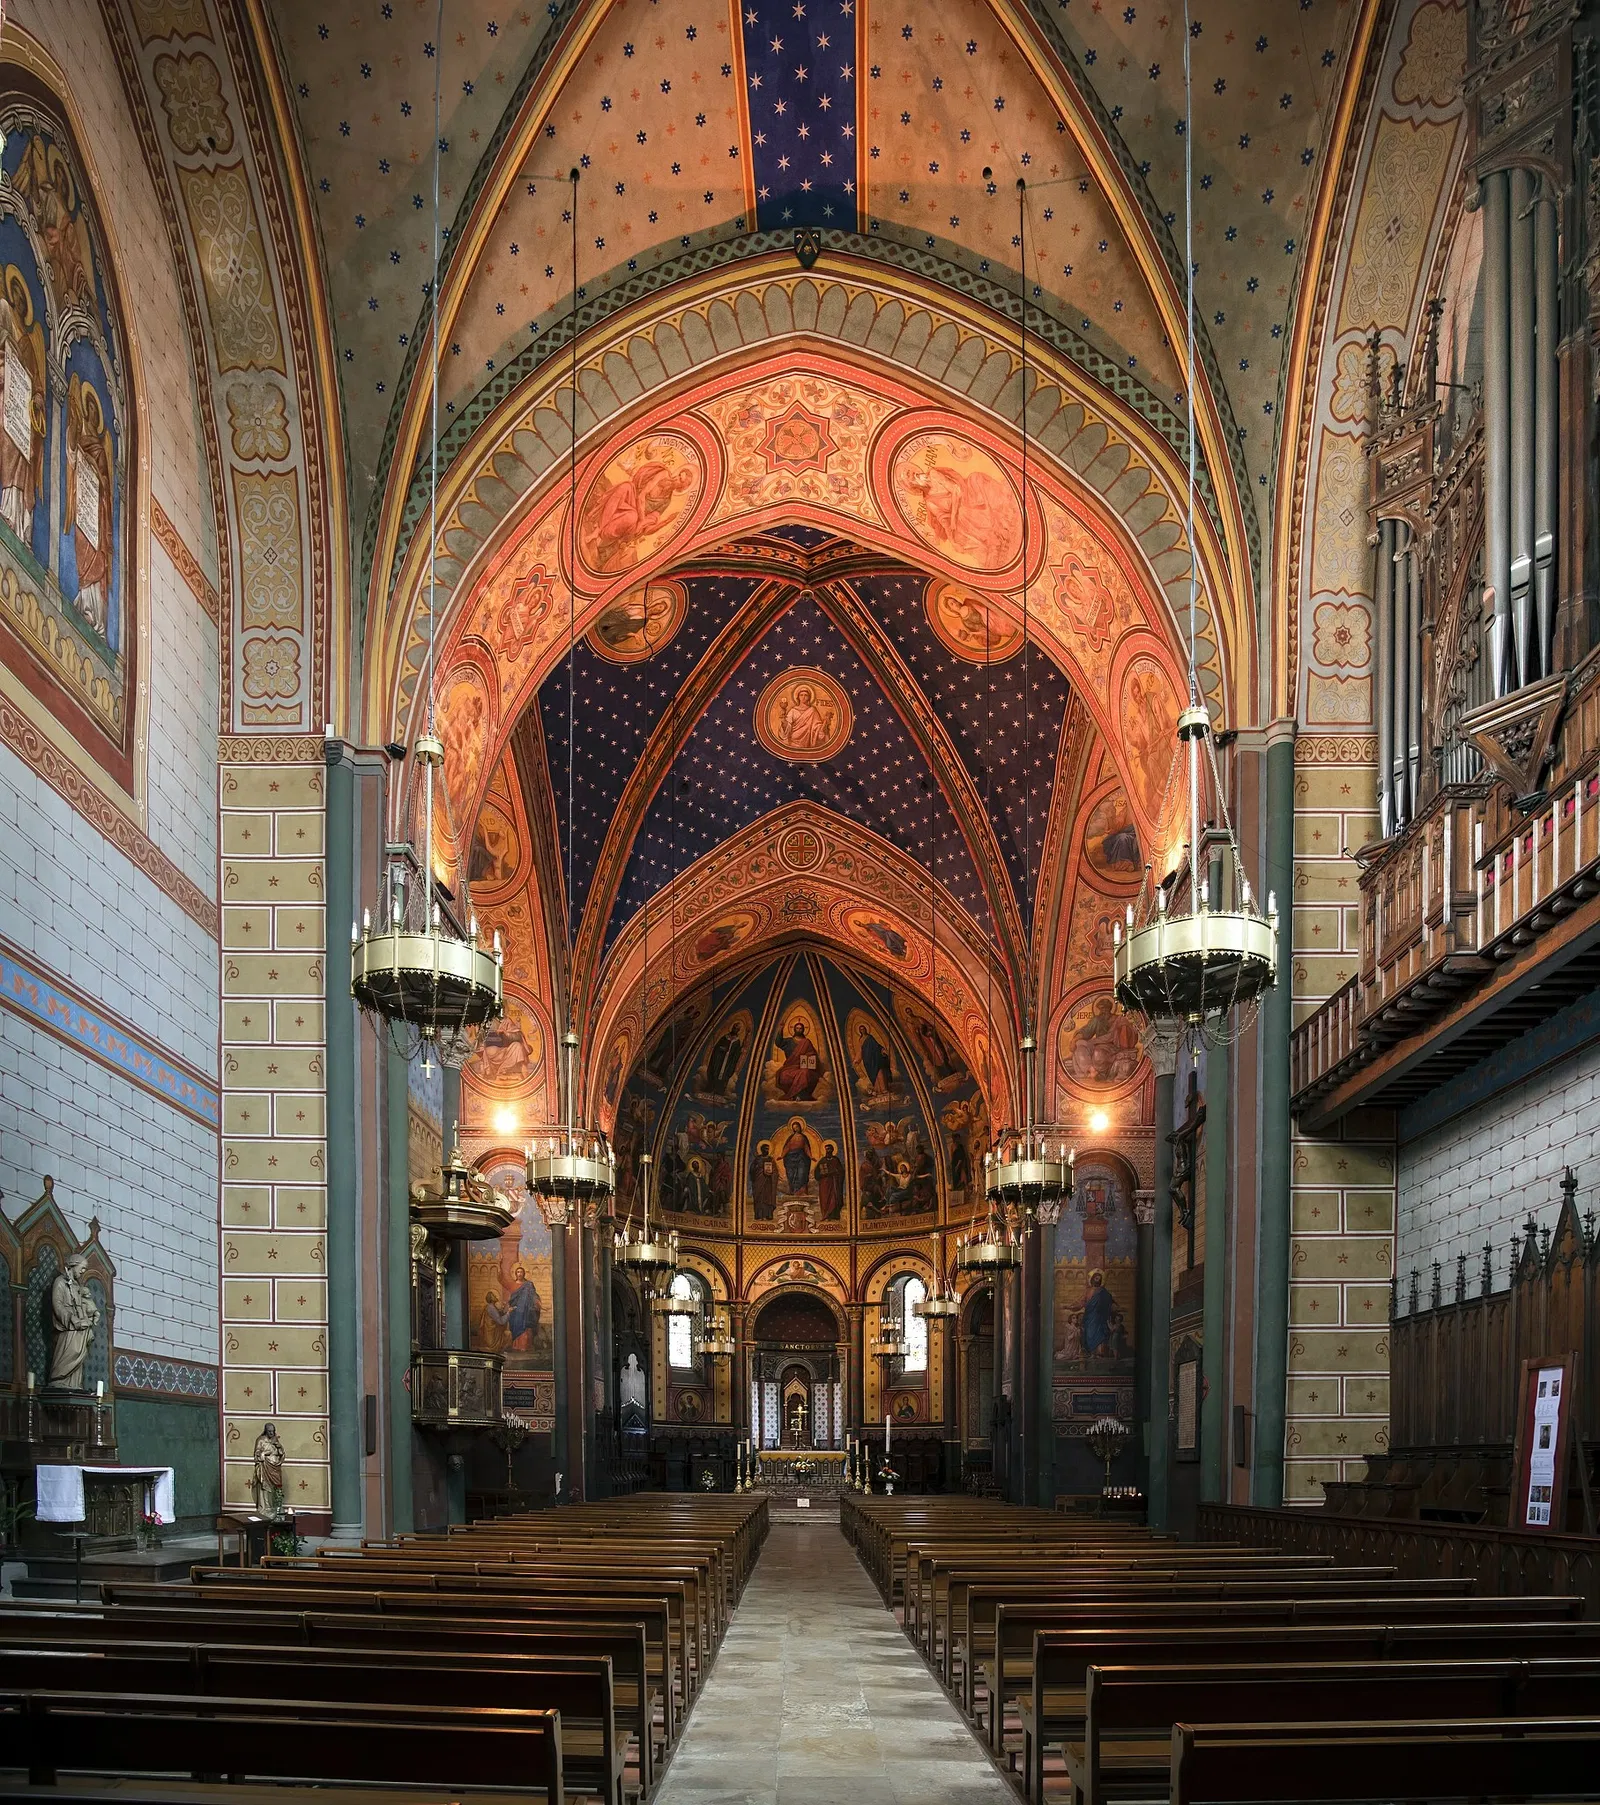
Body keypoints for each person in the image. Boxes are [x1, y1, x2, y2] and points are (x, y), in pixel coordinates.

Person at [48, 1252, 99, 1390]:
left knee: (80, 1354)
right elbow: (57, 1304)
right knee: (69, 1353)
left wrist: (92, 1312)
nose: (83, 1272)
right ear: (73, 1265)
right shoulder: (60, 1282)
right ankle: (58, 1379)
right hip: (68, 1327)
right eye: (82, 1268)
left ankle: (74, 1384)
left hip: (79, 1327)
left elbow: (83, 1303)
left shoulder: (76, 1285)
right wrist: (72, 1319)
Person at [774, 1017, 822, 1101]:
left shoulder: (807, 1042)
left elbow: (813, 1056)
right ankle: (795, 1095)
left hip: (804, 1068)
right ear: (794, 1029)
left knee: (804, 1072)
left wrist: (809, 1060)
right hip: (790, 1067)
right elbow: (778, 1043)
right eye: (797, 1028)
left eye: (800, 1028)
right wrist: (781, 1028)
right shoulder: (789, 1041)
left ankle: (799, 1096)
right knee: (784, 1075)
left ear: (803, 1030)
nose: (799, 1030)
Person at [252, 1422, 286, 1517]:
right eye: (269, 1431)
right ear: (265, 1431)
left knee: (276, 1487)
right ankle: (265, 1507)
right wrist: (263, 1454)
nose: (271, 1433)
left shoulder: (275, 1440)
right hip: (265, 1466)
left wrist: (280, 1448)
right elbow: (256, 1453)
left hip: (275, 1466)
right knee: (265, 1487)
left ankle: (275, 1506)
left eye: (273, 1431)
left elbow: (281, 1453)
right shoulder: (260, 1440)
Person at [506, 1264, 541, 1350]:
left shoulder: (528, 1284)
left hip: (526, 1311)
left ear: (524, 1273)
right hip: (516, 1311)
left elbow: (534, 1295)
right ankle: (516, 1346)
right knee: (516, 1326)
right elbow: (512, 1298)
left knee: (526, 1328)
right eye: (518, 1272)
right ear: (515, 1273)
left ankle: (525, 1346)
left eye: (521, 1272)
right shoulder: (513, 1284)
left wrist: (537, 1302)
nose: (519, 1274)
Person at [781, 1120, 813, 1196]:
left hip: (801, 1157)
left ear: (800, 1127)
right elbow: (787, 1147)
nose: (796, 1129)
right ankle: (793, 1191)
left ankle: (802, 1191)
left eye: (797, 1127)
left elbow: (806, 1148)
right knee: (791, 1174)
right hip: (790, 1158)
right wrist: (782, 1156)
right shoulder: (791, 1138)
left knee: (802, 1174)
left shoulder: (803, 1137)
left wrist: (811, 1156)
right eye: (794, 1128)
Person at [816, 1142, 845, 1222]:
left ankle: (834, 1216)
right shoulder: (822, 1160)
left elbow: (841, 1171)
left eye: (829, 1149)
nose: (827, 1151)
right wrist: (822, 1174)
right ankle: (825, 1215)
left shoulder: (836, 1160)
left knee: (834, 1199)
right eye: (826, 1149)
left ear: (832, 1150)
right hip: (824, 1184)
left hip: (834, 1182)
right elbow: (817, 1173)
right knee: (825, 1199)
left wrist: (835, 1173)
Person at [749, 1142, 779, 1221]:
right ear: (761, 1150)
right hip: (759, 1181)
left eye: (768, 1149)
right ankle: (759, 1215)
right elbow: (752, 1170)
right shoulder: (757, 1159)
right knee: (759, 1198)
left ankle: (768, 1215)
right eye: (765, 1149)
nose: (767, 1150)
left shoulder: (771, 1160)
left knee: (767, 1198)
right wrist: (760, 1169)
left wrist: (772, 1173)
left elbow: (775, 1171)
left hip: (768, 1183)